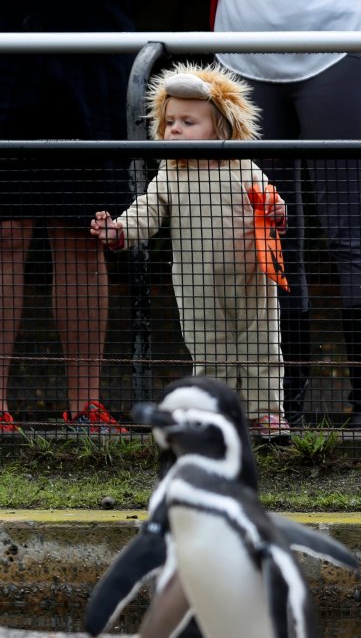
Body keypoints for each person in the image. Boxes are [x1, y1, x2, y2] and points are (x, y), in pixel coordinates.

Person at [198, 0, 361, 428]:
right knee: (264, 234)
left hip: (339, 47)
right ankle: (275, 404)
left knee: (351, 228)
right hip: (239, 58)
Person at [90, 63, 291, 440]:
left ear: (221, 126)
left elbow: (272, 204)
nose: (175, 129)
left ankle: (266, 414)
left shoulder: (243, 167)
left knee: (262, 345)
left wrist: (278, 211)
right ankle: (217, 414)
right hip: (196, 283)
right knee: (209, 349)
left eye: (188, 121)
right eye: (169, 122)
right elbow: (144, 214)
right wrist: (117, 232)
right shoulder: (169, 174)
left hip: (252, 278)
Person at [0, 0, 135, 435]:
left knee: (83, 232)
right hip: (7, 50)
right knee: (5, 233)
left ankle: (85, 407)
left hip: (92, 51)